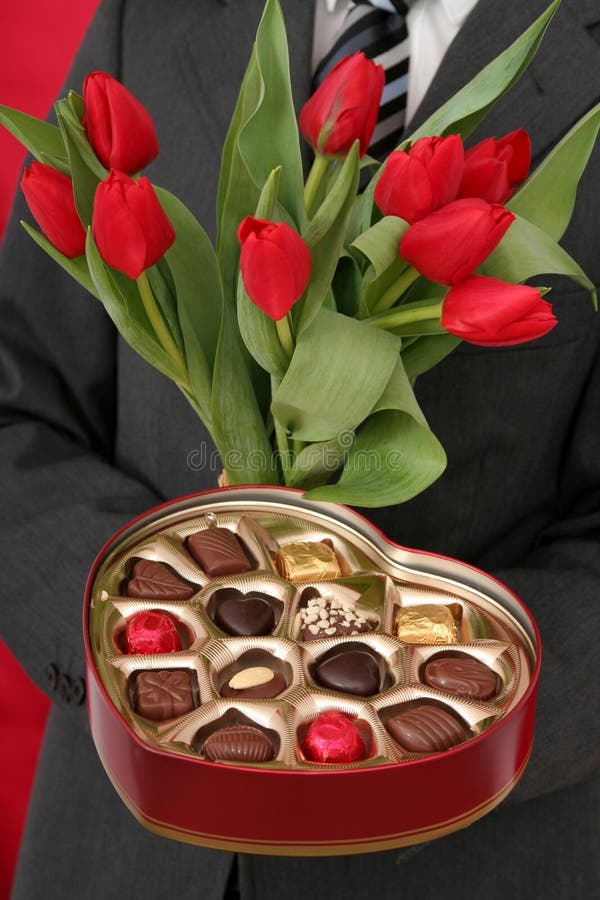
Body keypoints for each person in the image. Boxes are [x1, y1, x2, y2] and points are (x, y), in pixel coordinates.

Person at [1, 1, 599, 897]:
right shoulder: (150, 15)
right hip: (114, 853)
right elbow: (18, 398)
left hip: (468, 858)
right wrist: (145, 648)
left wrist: (415, 720)